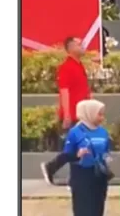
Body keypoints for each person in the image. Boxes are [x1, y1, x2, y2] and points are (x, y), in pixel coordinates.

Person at [41, 36, 92, 185]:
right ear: (70, 48)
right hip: (73, 115)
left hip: (83, 114)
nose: (82, 45)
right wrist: (67, 115)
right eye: (78, 44)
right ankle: (52, 168)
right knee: (74, 149)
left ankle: (68, 176)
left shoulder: (79, 65)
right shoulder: (66, 67)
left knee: (79, 147)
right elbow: (64, 91)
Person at [63, 99, 111, 216]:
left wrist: (107, 158)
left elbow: (107, 150)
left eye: (102, 114)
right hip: (81, 176)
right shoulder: (75, 132)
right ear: (90, 113)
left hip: (99, 176)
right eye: (99, 114)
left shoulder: (103, 132)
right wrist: (78, 155)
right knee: (82, 209)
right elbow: (66, 155)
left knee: (98, 208)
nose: (102, 118)